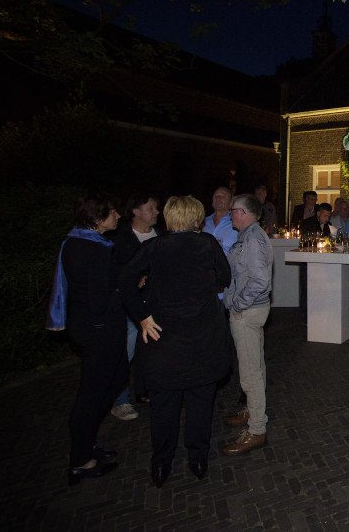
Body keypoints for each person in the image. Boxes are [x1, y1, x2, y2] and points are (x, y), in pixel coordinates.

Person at [118, 195, 232, 487]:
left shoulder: (153, 247)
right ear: (196, 218)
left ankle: (161, 462)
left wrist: (142, 315)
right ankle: (198, 457)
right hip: (202, 338)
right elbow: (226, 276)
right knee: (199, 402)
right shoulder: (208, 244)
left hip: (164, 341)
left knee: (164, 406)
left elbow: (125, 280)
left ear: (169, 219)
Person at [53, 194, 124, 485]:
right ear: (97, 220)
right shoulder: (91, 250)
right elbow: (99, 298)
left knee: (116, 379)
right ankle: (81, 460)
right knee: (92, 393)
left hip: (91, 327)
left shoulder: (81, 242)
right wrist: (124, 289)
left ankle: (87, 444)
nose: (118, 215)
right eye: (112, 211)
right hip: (99, 330)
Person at [221, 193, 273, 456]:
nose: (230, 214)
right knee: (257, 365)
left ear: (244, 213)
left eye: (233, 210)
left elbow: (260, 281)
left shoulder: (253, 238)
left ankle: (256, 430)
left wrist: (239, 305)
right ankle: (254, 411)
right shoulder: (250, 235)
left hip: (248, 313)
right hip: (252, 310)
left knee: (250, 372)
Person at [110, 192, 160, 421]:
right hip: (129, 308)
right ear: (136, 211)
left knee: (149, 349)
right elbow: (117, 273)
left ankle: (144, 390)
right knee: (126, 350)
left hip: (154, 305)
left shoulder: (161, 236)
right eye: (150, 208)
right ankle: (119, 400)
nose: (156, 212)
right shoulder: (121, 239)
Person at [204, 186, 237, 254]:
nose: (218, 198)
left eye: (223, 196)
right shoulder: (203, 222)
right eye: (216, 196)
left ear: (231, 203)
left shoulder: (236, 224)